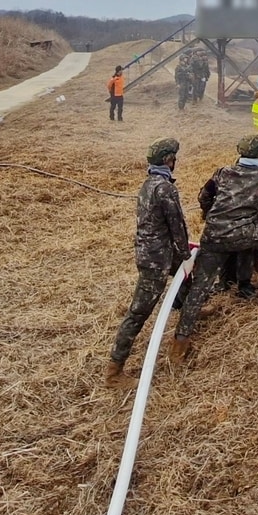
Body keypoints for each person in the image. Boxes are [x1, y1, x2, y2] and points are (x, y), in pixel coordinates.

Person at [173, 136, 258, 360]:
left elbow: (204, 196)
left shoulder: (223, 172)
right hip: (243, 234)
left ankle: (179, 343)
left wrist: (211, 214)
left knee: (200, 287)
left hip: (213, 235)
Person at [106, 137, 191, 388]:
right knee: (138, 313)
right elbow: (177, 226)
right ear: (168, 160)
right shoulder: (165, 189)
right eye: (173, 157)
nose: (175, 161)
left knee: (190, 282)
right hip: (156, 259)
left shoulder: (149, 184)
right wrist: (186, 256)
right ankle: (114, 372)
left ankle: (188, 310)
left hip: (156, 252)